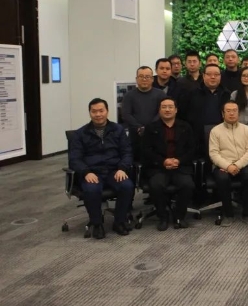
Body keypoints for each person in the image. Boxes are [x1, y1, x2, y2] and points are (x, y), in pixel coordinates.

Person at [69, 98, 134, 239]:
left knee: (127, 186)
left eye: (101, 111)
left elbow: (127, 152)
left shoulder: (118, 130)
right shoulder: (80, 134)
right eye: (94, 111)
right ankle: (97, 224)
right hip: (92, 172)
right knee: (91, 189)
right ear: (89, 113)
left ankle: (119, 221)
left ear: (107, 111)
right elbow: (75, 159)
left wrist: (122, 168)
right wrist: (86, 172)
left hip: (114, 170)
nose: (98, 114)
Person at [141, 97, 196, 231]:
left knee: (187, 185)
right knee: (156, 185)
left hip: (180, 166)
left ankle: (179, 216)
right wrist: (163, 161)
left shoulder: (185, 127)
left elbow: (192, 149)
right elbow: (145, 150)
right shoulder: (150, 128)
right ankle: (163, 217)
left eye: (170, 107)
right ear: (159, 110)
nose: (167, 110)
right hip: (158, 167)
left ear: (176, 110)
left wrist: (179, 160)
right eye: (164, 107)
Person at [209, 101, 248, 226]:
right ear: (223, 114)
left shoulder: (246, 129)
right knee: (223, 179)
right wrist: (228, 166)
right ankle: (228, 214)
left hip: (242, 165)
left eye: (234, 110)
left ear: (238, 113)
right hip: (223, 166)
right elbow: (213, 154)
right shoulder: (215, 131)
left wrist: (237, 165)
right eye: (228, 111)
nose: (232, 113)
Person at [180, 64, 230, 154]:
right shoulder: (192, 93)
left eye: (216, 74)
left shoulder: (227, 94)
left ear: (220, 76)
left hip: (222, 136)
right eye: (209, 74)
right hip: (198, 137)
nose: (213, 77)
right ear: (203, 76)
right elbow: (183, 114)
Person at [121, 66, 166, 160]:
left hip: (156, 134)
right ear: (136, 79)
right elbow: (126, 114)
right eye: (141, 76)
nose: (144, 79)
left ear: (152, 79)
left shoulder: (160, 94)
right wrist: (139, 127)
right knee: (137, 160)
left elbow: (162, 112)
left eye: (147, 77)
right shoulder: (129, 95)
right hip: (135, 135)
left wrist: (149, 128)